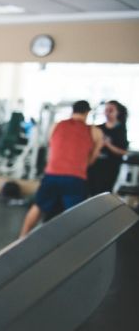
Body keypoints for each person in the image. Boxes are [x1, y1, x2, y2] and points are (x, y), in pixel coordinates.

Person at [19, 100, 103, 237]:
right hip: (75, 177)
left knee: (38, 206)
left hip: (52, 173)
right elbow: (92, 158)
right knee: (75, 213)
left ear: (73, 110)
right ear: (87, 112)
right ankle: (71, 246)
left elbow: (52, 147)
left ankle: (21, 238)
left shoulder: (56, 125)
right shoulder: (95, 131)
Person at [87, 100, 130, 195]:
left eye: (111, 110)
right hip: (94, 167)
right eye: (106, 110)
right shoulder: (98, 128)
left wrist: (108, 144)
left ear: (117, 112)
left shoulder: (121, 130)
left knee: (104, 193)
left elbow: (124, 151)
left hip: (109, 169)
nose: (107, 113)